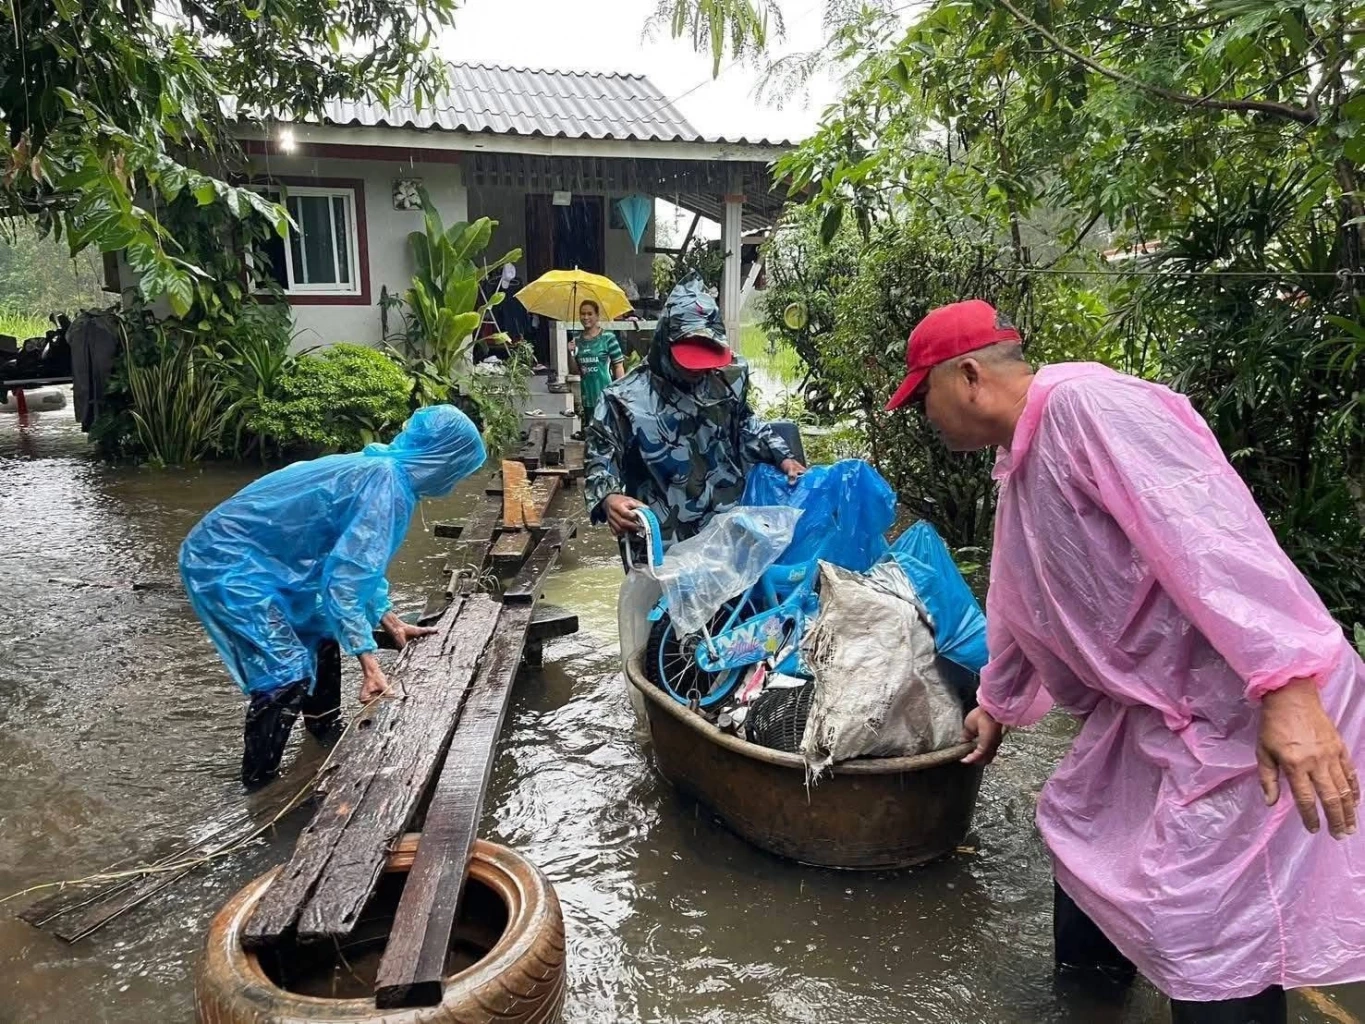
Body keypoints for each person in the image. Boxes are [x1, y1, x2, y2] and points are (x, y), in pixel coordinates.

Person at [885, 299, 1364, 1023]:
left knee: (1206, 924)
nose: (926, 417)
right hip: (1154, 710)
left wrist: (1287, 685)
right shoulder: (1020, 457)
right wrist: (999, 703)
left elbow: (1212, 535)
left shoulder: (1089, 407)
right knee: (1079, 832)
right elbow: (1022, 595)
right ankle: (1086, 1003)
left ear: (969, 376)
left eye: (924, 398)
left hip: (1247, 706)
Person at [180, 405, 487, 786]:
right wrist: (370, 665)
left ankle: (323, 734)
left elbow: (362, 569)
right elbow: (344, 583)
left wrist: (390, 620)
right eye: (458, 469)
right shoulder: (386, 484)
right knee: (285, 674)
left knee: (320, 630)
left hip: (263, 559)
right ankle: (260, 788)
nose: (455, 481)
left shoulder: (384, 470)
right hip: (227, 563)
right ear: (443, 459)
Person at [584, 271, 805, 544]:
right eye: (690, 361)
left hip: (728, 525)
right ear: (666, 344)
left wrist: (783, 456)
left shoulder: (726, 378)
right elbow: (600, 458)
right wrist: (609, 497)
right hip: (662, 538)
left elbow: (746, 423)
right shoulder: (622, 399)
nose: (699, 372)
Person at [567, 298, 625, 426]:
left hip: (606, 396)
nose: (585, 317)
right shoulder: (577, 340)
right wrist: (570, 353)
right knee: (590, 433)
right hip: (587, 397)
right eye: (582, 314)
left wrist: (620, 391)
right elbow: (575, 371)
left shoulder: (608, 338)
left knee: (607, 433)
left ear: (597, 316)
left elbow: (618, 366)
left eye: (589, 314)